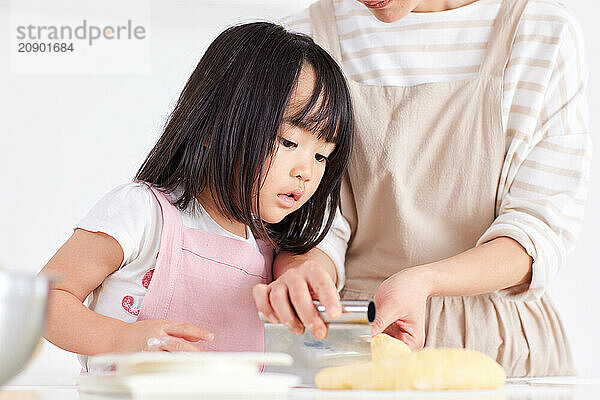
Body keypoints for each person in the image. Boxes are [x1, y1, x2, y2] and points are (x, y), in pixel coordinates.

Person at [253, 0, 591, 377]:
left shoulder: (542, 31)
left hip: (497, 344)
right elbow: (316, 220)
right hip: (353, 338)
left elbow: (537, 230)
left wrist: (426, 280)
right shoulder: (309, 33)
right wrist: (301, 269)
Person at [40, 22, 353, 371]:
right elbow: (45, 301)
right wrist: (118, 339)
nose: (305, 171)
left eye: (322, 155)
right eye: (289, 142)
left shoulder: (269, 248)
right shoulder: (144, 212)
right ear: (212, 128)